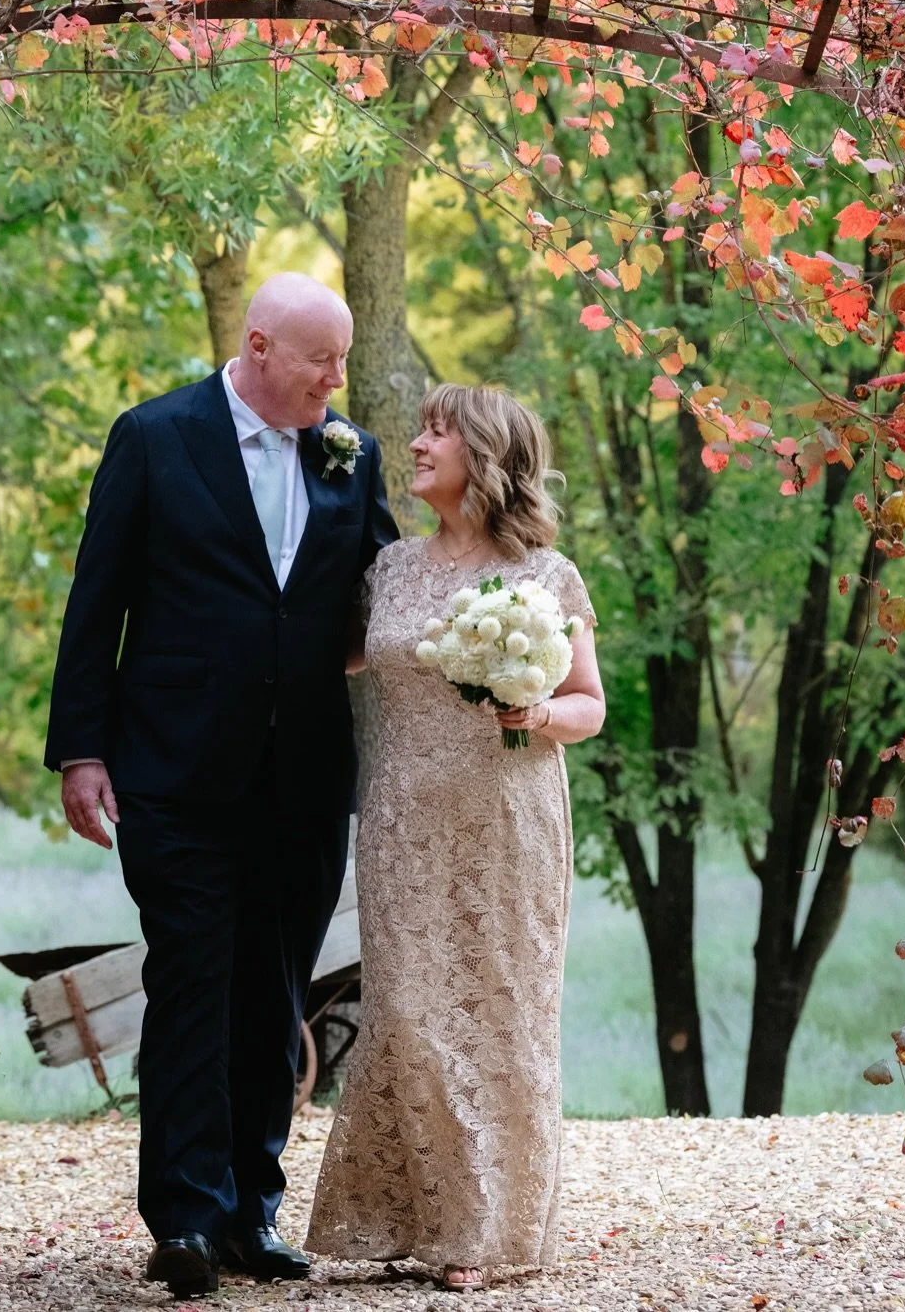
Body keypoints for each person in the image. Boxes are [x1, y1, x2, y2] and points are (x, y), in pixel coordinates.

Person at [44, 273, 397, 1298]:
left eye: (342, 360)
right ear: (258, 346)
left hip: (304, 776)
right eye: (322, 359)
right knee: (193, 983)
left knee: (274, 993)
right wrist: (81, 750)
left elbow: (382, 593)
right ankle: (186, 1220)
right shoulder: (154, 437)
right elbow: (97, 600)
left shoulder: (349, 452)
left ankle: (252, 1212)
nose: (337, 379)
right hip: (174, 768)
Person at [306, 383, 605, 1291]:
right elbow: (324, 650)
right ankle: (406, 1215)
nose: (417, 442)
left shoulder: (546, 575)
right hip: (402, 819)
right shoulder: (389, 568)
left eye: (438, 431)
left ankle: (477, 1232)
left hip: (509, 821)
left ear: (485, 456)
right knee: (405, 1010)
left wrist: (537, 710)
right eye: (422, 427)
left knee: (501, 1012)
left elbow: (589, 705)